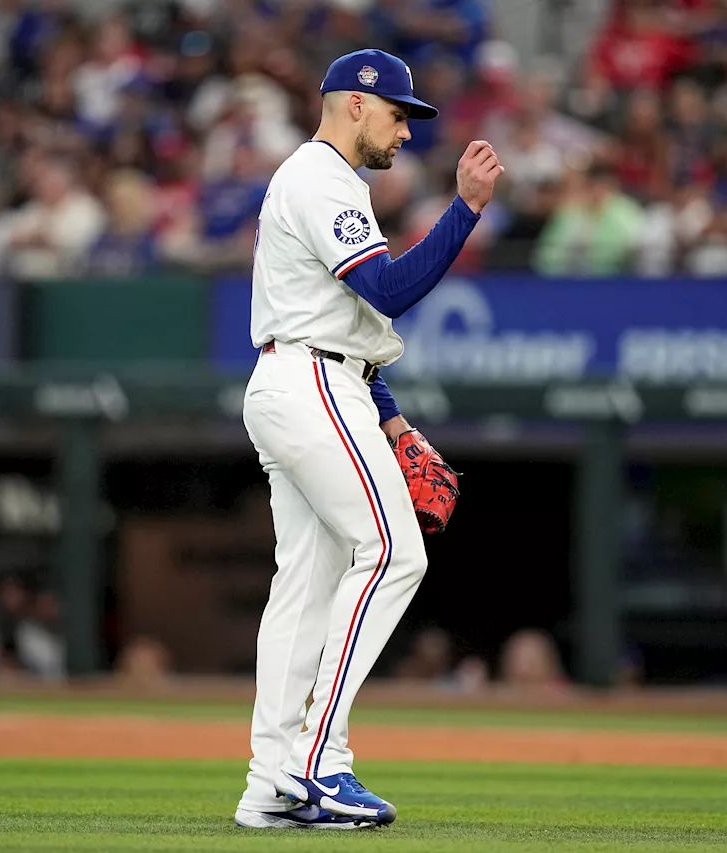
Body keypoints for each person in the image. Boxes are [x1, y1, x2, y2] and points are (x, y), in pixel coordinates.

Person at [234, 48, 501, 831]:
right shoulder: (319, 178)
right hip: (311, 384)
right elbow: (386, 289)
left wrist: (388, 417)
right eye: (397, 114)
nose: (406, 133)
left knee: (306, 587)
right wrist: (467, 211)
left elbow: (353, 320)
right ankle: (321, 762)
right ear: (355, 103)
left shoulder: (329, 184)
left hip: (312, 377)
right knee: (390, 551)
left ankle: (271, 782)